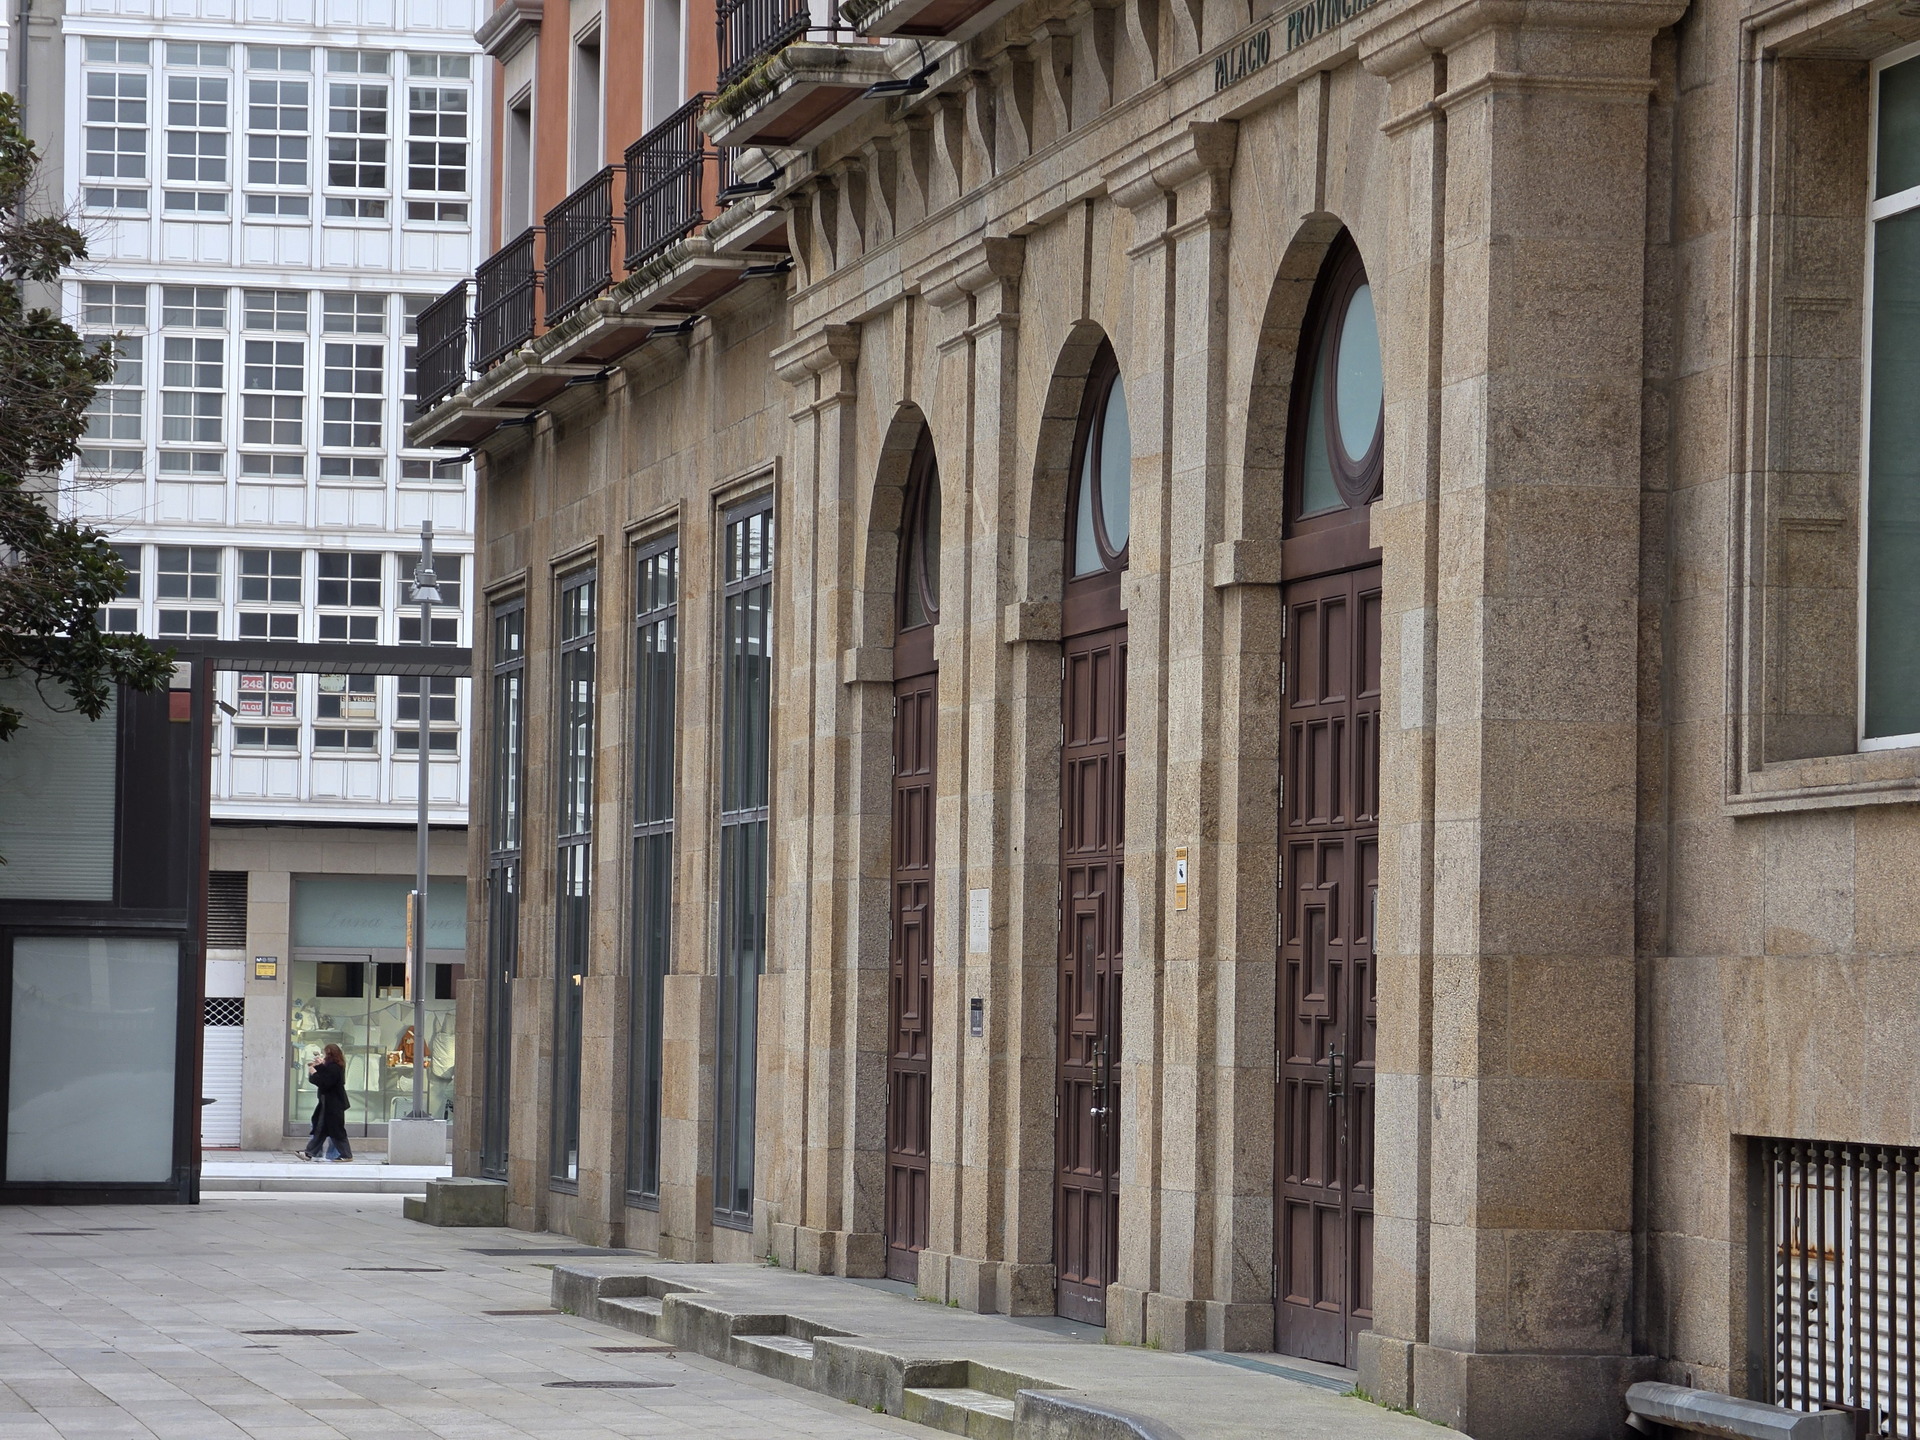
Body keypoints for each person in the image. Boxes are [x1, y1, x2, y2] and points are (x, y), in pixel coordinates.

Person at [298, 1044, 353, 1162]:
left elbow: (325, 1082)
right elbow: (322, 1078)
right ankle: (309, 1153)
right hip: (328, 1103)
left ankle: (346, 1154)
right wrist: (317, 1067)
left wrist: (315, 1072)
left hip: (332, 1104)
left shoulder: (335, 1067)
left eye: (325, 1054)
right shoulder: (333, 1066)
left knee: (334, 1130)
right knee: (322, 1129)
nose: (323, 1056)